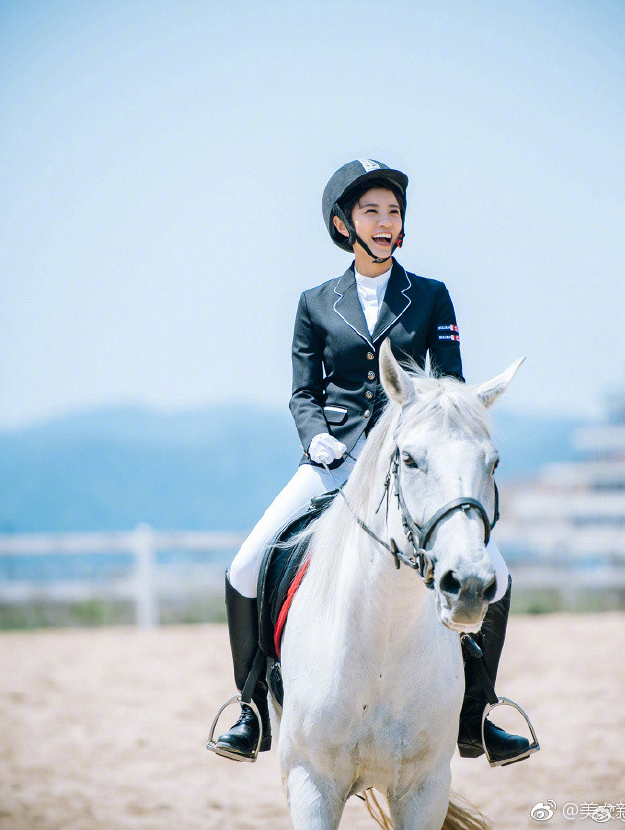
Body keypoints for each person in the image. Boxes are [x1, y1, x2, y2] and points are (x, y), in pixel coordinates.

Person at [212, 159, 533, 766]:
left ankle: (478, 715)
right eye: (371, 211)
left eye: (392, 212)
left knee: (498, 571)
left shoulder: (432, 297)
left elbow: (449, 387)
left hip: (413, 464)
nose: (384, 222)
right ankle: (251, 709)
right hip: (335, 460)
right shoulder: (314, 303)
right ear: (343, 223)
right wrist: (316, 438)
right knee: (245, 563)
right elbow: (303, 393)